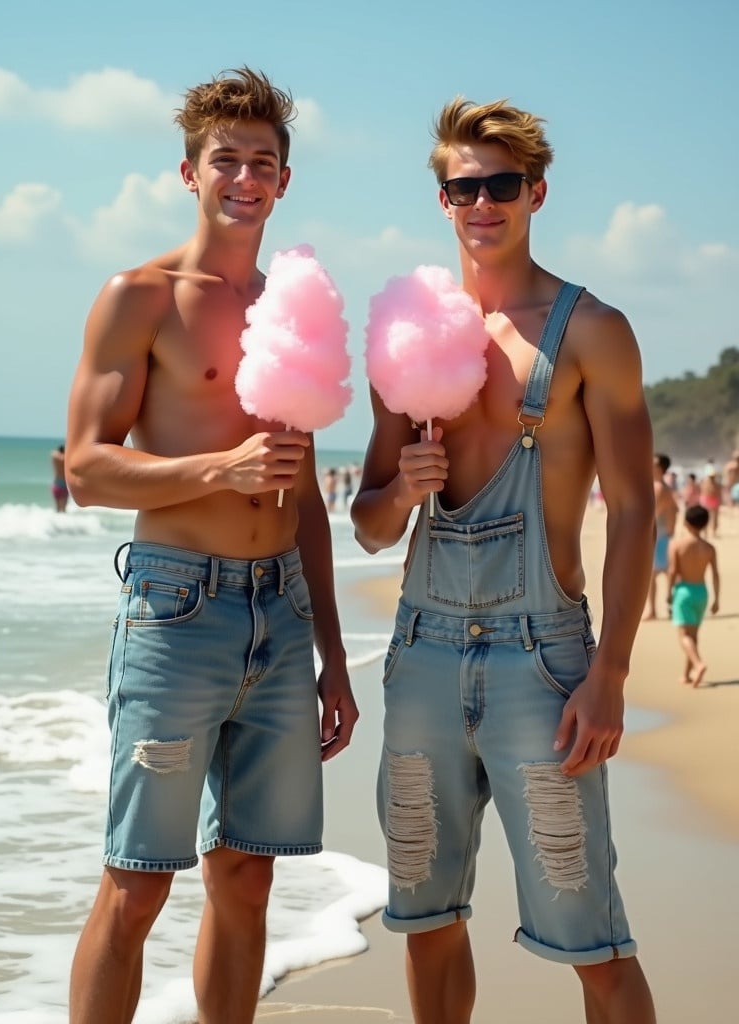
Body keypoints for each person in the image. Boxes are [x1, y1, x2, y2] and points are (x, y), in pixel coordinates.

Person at [351, 96, 656, 1024]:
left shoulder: (591, 329)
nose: (483, 202)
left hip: (543, 661)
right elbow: (367, 526)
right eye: (464, 186)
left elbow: (639, 506)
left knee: (591, 933)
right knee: (426, 918)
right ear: (441, 199)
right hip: (423, 658)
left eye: (503, 184)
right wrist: (403, 487)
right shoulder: (406, 334)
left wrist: (609, 674)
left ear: (537, 192)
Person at [64, 68, 358, 1024]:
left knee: (246, 882)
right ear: (188, 172)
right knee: (138, 881)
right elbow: (86, 469)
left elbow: (306, 494)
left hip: (279, 612)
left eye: (262, 162)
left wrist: (335, 659)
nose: (244, 176)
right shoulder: (139, 296)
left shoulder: (293, 311)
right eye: (224, 159)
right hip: (175, 606)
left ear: (284, 180)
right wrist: (219, 470)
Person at [667, 504, 719, 687]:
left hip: (684, 592)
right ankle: (687, 675)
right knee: (693, 636)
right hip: (702, 593)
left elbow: (673, 571)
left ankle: (698, 664)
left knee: (683, 636)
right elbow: (715, 574)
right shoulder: (709, 548)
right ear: (705, 524)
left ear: (686, 523)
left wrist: (668, 593)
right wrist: (716, 599)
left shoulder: (677, 544)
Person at [642, 453, 679, 620]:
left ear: (660, 468)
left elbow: (651, 514)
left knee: (655, 574)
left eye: (654, 464)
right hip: (663, 535)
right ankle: (671, 607)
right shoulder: (663, 487)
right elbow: (675, 510)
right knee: (665, 573)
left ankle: (654, 610)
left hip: (659, 536)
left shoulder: (659, 488)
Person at [51, 444, 70, 512]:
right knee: (64, 509)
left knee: (57, 508)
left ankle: (58, 521)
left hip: (56, 484)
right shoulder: (66, 459)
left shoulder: (56, 459)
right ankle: (62, 521)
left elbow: (53, 453)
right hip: (64, 484)